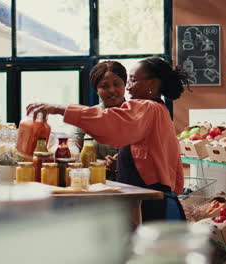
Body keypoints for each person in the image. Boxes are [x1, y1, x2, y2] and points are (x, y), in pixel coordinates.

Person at [27, 57, 190, 222]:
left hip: (153, 208)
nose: (127, 87)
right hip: (156, 202)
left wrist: (58, 108)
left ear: (152, 84)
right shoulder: (158, 110)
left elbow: (109, 123)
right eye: (104, 86)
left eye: (132, 81)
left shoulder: (146, 108)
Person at [74, 61, 127, 180]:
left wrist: (124, 162)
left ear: (125, 84)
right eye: (104, 86)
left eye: (117, 84)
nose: (112, 90)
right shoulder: (85, 117)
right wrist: (100, 163)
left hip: (134, 186)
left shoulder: (140, 114)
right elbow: (73, 153)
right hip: (96, 184)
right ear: (96, 90)